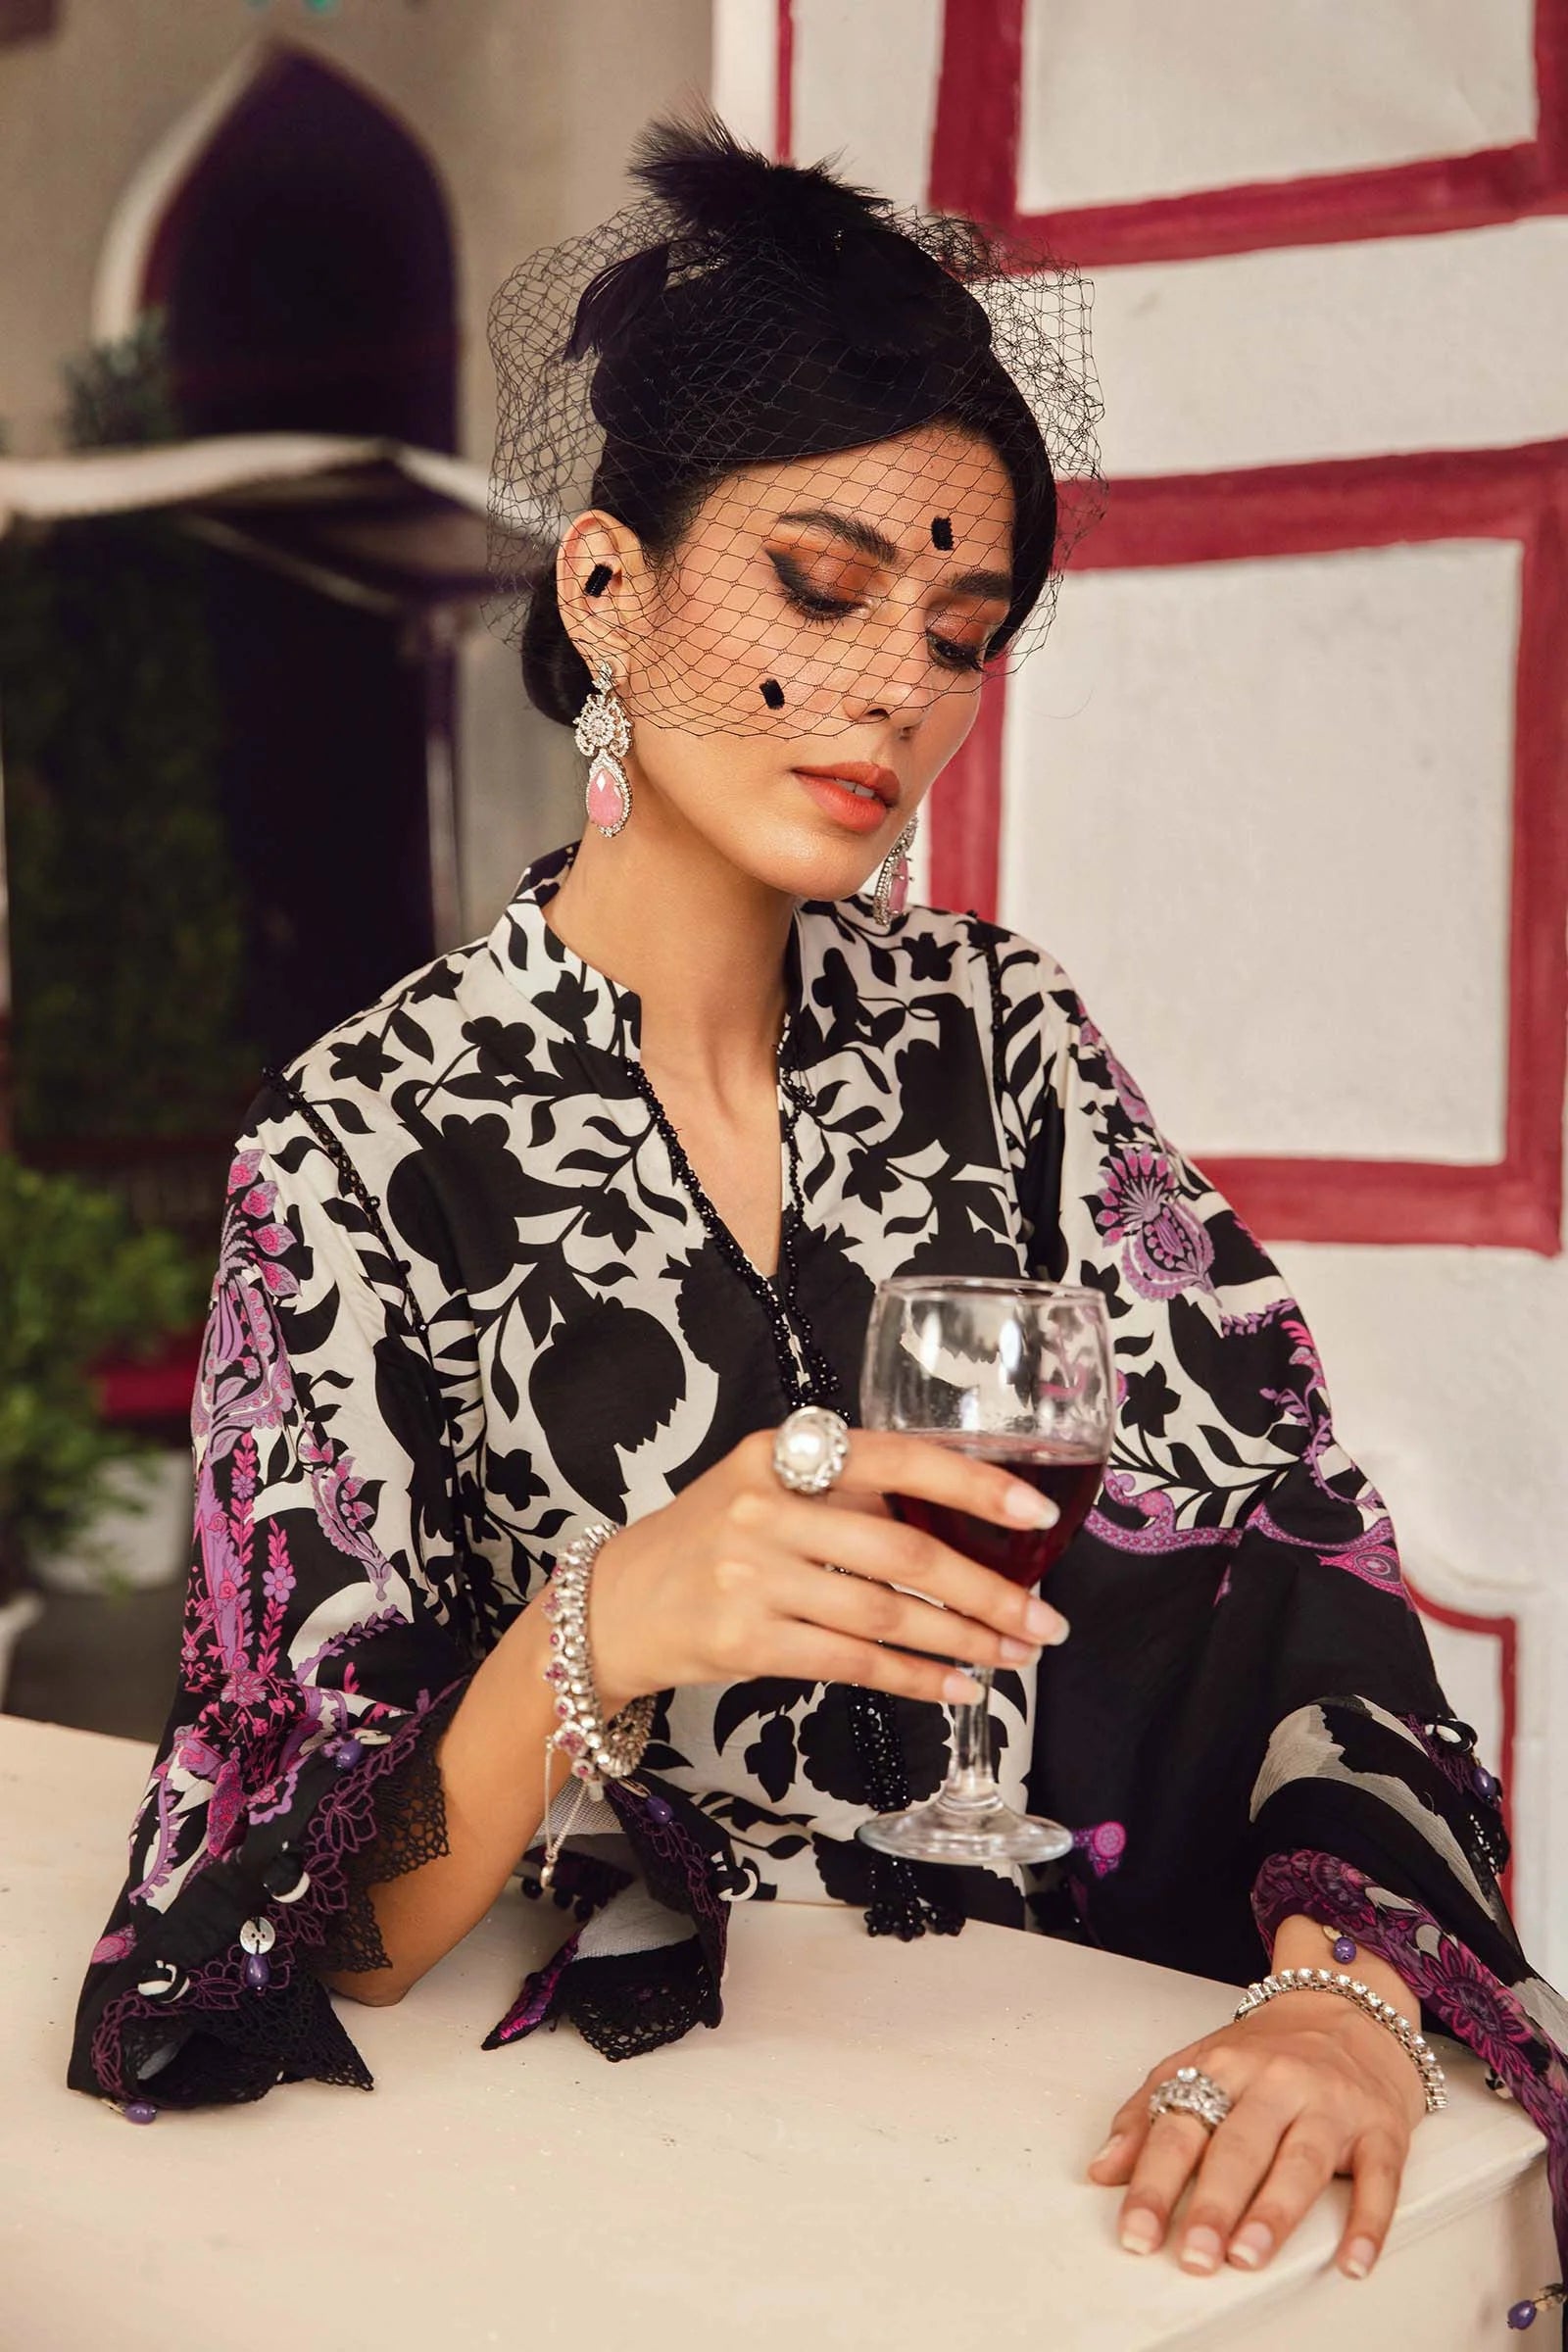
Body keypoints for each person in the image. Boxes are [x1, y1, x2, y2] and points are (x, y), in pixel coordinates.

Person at [68, 102, 1566, 2329]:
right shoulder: (364, 1141)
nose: (896, 688)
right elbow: (309, 1915)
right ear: (605, 586)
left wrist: (1340, 1997)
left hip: (1062, 2124)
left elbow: (1293, 1568)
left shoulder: (999, 1042)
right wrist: (605, 1625)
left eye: (960, 629)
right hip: (644, 2184)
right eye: (822, 585)